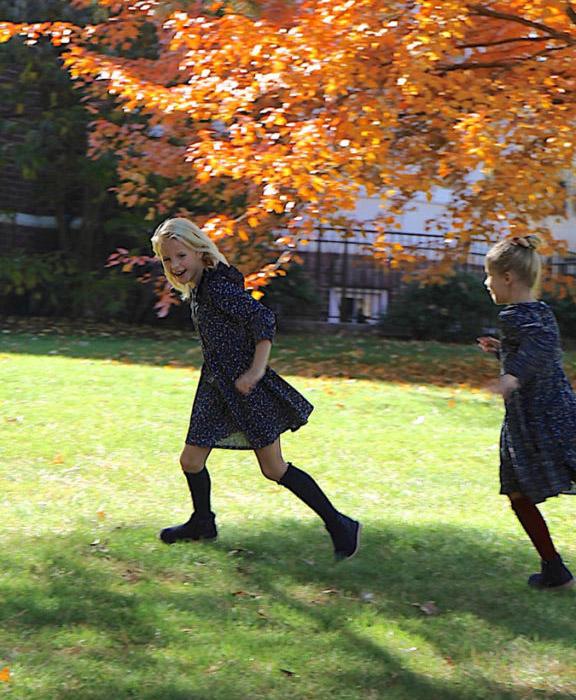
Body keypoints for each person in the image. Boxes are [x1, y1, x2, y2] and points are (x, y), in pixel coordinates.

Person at [150, 217, 361, 560]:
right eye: (168, 260)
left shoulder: (218, 288)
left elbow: (263, 320)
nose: (175, 265)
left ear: (199, 251)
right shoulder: (203, 287)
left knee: (274, 468)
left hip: (245, 389)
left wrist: (255, 371)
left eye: (181, 255)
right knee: (191, 460)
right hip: (216, 386)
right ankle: (202, 523)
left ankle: (340, 525)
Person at [478, 235, 576, 589]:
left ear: (506, 277)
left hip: (546, 417)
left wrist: (510, 376)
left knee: (522, 491)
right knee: (516, 491)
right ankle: (553, 569)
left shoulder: (516, 315)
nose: (486, 283)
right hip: (529, 419)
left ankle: (553, 568)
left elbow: (540, 346)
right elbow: (540, 348)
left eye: (489, 275)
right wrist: (503, 352)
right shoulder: (538, 311)